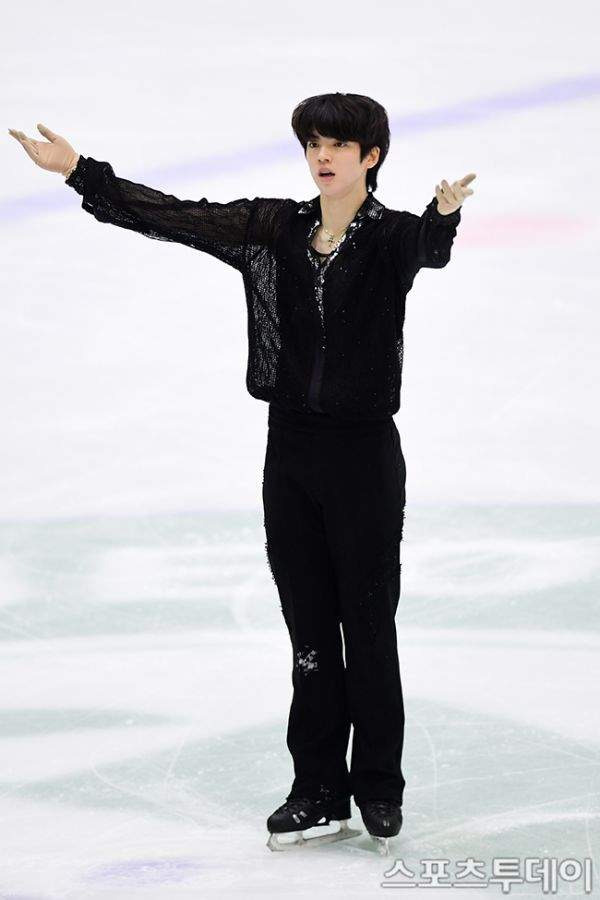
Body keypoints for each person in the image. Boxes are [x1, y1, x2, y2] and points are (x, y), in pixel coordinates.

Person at [9, 93, 475, 855]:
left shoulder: (392, 237)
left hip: (362, 458)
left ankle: (378, 789)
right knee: (309, 634)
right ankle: (316, 789)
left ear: (371, 157)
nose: (322, 156)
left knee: (367, 626)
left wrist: (443, 216)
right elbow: (176, 217)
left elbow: (428, 248)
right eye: (313, 143)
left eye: (338, 145)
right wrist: (79, 172)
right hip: (289, 452)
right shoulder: (275, 227)